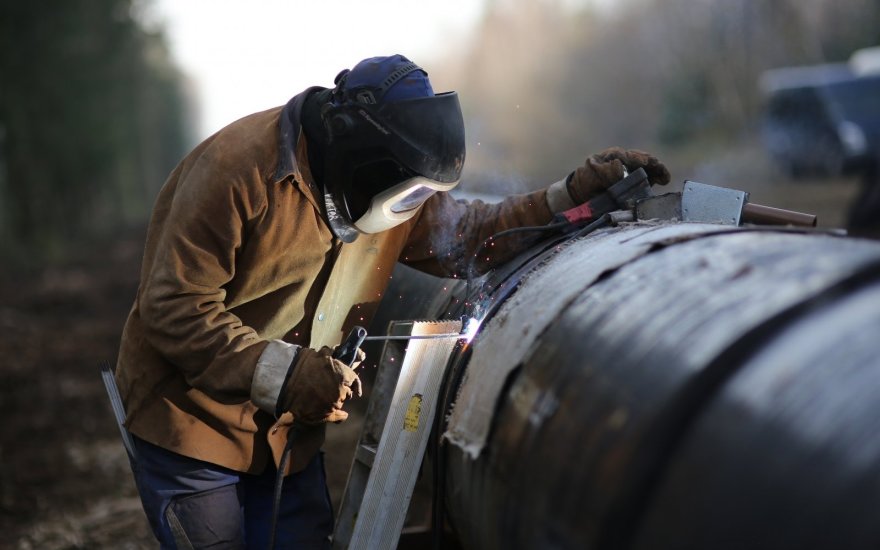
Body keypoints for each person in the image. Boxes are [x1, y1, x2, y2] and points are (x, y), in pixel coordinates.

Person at [115, 54, 670, 548]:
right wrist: (286, 373)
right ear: (358, 158)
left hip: (287, 434)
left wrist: (569, 195)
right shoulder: (239, 171)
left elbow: (472, 234)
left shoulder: (390, 183)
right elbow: (174, 305)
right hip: (193, 428)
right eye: (408, 194)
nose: (411, 207)